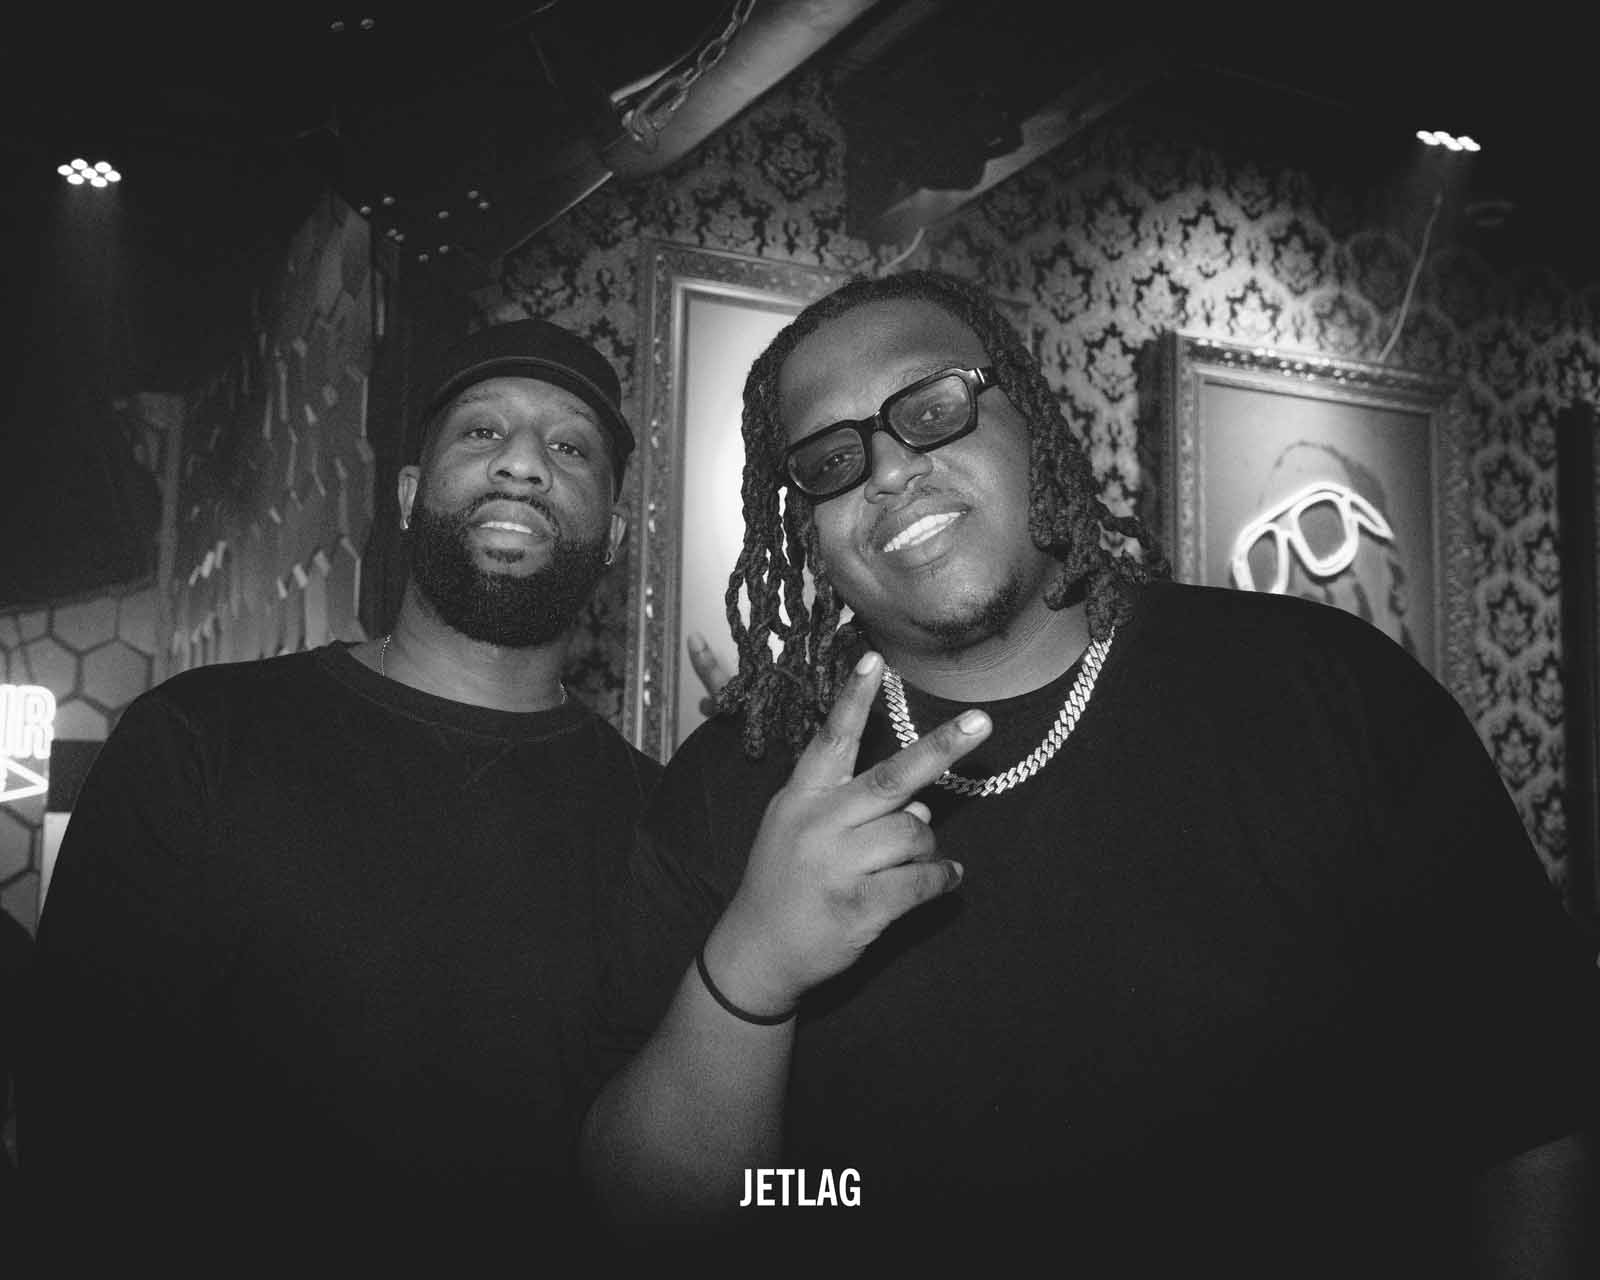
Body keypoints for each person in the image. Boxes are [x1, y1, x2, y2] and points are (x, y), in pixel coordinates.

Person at [582, 270, 1600, 1273]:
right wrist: (754, 970)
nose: (887, 471)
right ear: (805, 525)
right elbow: (665, 1221)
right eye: (831, 460)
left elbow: (1529, 1114)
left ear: (1030, 419)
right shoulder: (736, 782)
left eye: (931, 410)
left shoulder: (1327, 691)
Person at [19, 318, 662, 1257]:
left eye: (570, 448)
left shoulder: (657, 822)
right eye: (483, 431)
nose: (523, 463)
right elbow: (78, 1128)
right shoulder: (196, 740)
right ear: (406, 495)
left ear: (613, 535)